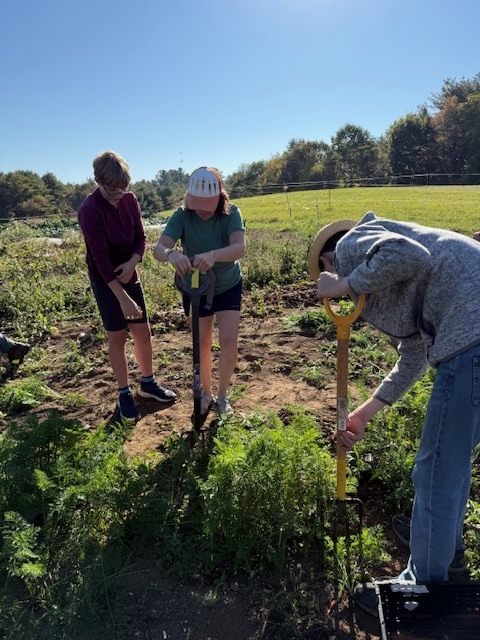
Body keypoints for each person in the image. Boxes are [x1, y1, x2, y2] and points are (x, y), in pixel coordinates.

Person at [308, 211, 480, 614]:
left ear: (327, 262)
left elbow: (410, 254)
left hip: (469, 338)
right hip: (470, 336)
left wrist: (344, 281)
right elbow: (413, 357)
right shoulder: (387, 278)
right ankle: (445, 551)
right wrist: (364, 413)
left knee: (434, 471)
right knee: (450, 465)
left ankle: (422, 587)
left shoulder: (352, 245)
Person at [78, 151, 176, 420]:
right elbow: (99, 259)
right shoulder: (89, 210)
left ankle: (147, 384)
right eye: (113, 190)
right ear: (98, 181)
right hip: (105, 279)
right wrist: (121, 297)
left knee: (142, 332)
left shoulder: (129, 199)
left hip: (128, 272)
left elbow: (140, 237)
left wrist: (133, 262)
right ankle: (124, 394)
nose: (119, 194)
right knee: (117, 336)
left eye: (124, 188)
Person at [154, 166, 245, 419]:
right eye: (198, 204)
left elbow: (239, 248)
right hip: (196, 287)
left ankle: (223, 396)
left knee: (228, 342)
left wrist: (213, 255)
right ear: (190, 199)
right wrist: (172, 254)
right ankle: (205, 393)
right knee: (202, 343)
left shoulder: (231, 213)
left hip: (227, 284)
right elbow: (158, 248)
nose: (203, 209)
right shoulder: (182, 216)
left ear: (219, 198)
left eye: (209, 204)